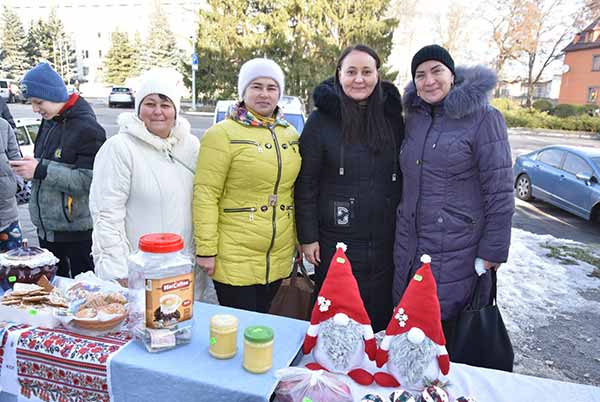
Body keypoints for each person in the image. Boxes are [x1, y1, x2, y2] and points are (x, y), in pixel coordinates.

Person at [393, 45, 514, 349]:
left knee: (445, 335)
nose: (429, 80)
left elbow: (499, 189)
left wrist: (493, 250)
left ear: (452, 74)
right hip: (410, 245)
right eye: (420, 75)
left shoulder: (484, 118)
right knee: (410, 330)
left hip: (458, 248)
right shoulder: (415, 119)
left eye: (437, 71)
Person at [294, 44, 404, 332]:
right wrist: (308, 236)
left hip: (383, 242)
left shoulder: (393, 119)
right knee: (336, 320)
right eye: (351, 71)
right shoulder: (321, 121)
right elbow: (306, 183)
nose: (359, 79)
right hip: (335, 242)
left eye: (367, 72)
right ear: (339, 75)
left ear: (377, 75)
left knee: (376, 323)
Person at [193, 58, 301, 313]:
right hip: (234, 253)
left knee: (263, 325)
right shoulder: (221, 134)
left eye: (271, 87)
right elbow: (206, 193)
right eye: (256, 86)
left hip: (277, 253)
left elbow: (294, 192)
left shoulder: (290, 135)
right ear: (243, 91)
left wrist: (298, 238)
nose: (264, 94)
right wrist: (206, 249)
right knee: (239, 327)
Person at [89, 68, 203, 295]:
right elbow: (106, 213)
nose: (158, 112)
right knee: (143, 327)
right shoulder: (120, 148)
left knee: (183, 327)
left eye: (165, 104)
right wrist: (117, 270)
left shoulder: (190, 146)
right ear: (139, 107)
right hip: (140, 271)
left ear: (176, 110)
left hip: (183, 270)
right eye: (150, 103)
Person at [11, 62, 106, 278]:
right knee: (51, 296)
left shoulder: (87, 128)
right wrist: (32, 165)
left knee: (81, 297)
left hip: (76, 236)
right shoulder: (51, 120)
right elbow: (50, 164)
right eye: (31, 103)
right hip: (47, 232)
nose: (35, 109)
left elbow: (89, 181)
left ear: (54, 95)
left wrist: (40, 170)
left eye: (38, 102)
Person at [0, 117, 22, 252]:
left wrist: (16, 183)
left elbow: (15, 155)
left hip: (8, 215)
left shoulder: (3, 125)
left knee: (13, 266)